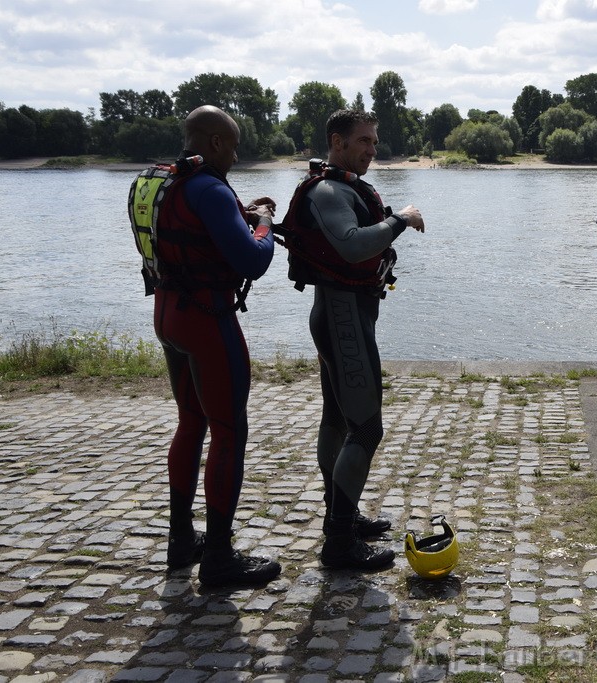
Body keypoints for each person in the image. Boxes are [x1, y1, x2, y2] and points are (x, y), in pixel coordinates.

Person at [283, 109, 424, 570]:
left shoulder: (342, 186)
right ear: (336, 141)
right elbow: (352, 244)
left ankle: (339, 516)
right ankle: (340, 543)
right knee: (367, 427)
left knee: (339, 421)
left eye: (374, 141)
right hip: (343, 320)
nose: (371, 149)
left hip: (342, 315)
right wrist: (401, 220)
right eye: (363, 140)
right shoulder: (328, 190)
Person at [147, 105, 281, 587]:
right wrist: (261, 222)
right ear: (216, 142)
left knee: (191, 421)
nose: (238, 153)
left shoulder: (164, 180)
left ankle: (181, 539)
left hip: (167, 313)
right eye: (235, 144)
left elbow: (191, 232)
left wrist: (238, 214)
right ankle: (220, 559)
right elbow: (253, 260)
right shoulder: (210, 186)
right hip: (207, 320)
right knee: (229, 432)